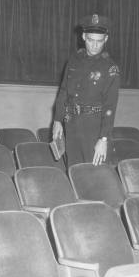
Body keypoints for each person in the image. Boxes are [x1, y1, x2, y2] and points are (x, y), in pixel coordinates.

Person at [52, 13, 120, 166]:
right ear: (83, 37)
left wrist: (103, 139)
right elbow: (63, 92)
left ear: (106, 39)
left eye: (99, 41)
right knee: (74, 170)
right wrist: (57, 120)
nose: (94, 45)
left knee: (94, 174)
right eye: (90, 40)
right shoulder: (73, 60)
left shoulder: (110, 68)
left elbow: (110, 107)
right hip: (72, 125)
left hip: (94, 128)